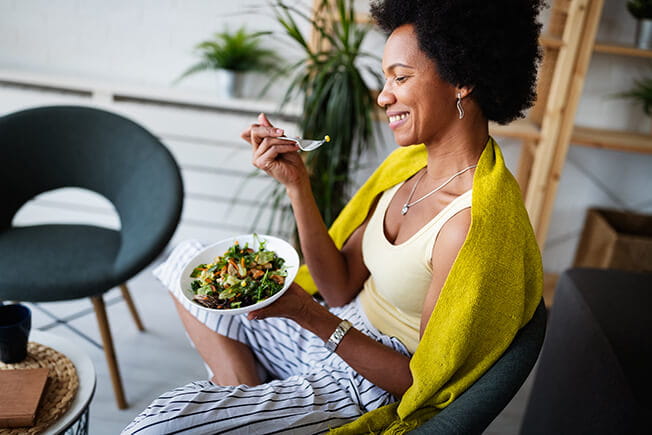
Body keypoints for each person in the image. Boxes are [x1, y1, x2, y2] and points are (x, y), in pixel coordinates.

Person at [124, 0, 544, 433]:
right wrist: (296, 184)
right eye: (386, 79)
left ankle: (242, 407)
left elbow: (418, 384)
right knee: (185, 263)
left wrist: (309, 314)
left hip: (365, 379)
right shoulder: (409, 169)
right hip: (331, 327)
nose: (384, 96)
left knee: (157, 425)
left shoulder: (469, 226)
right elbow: (339, 285)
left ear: (462, 79)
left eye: (400, 77)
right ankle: (243, 394)